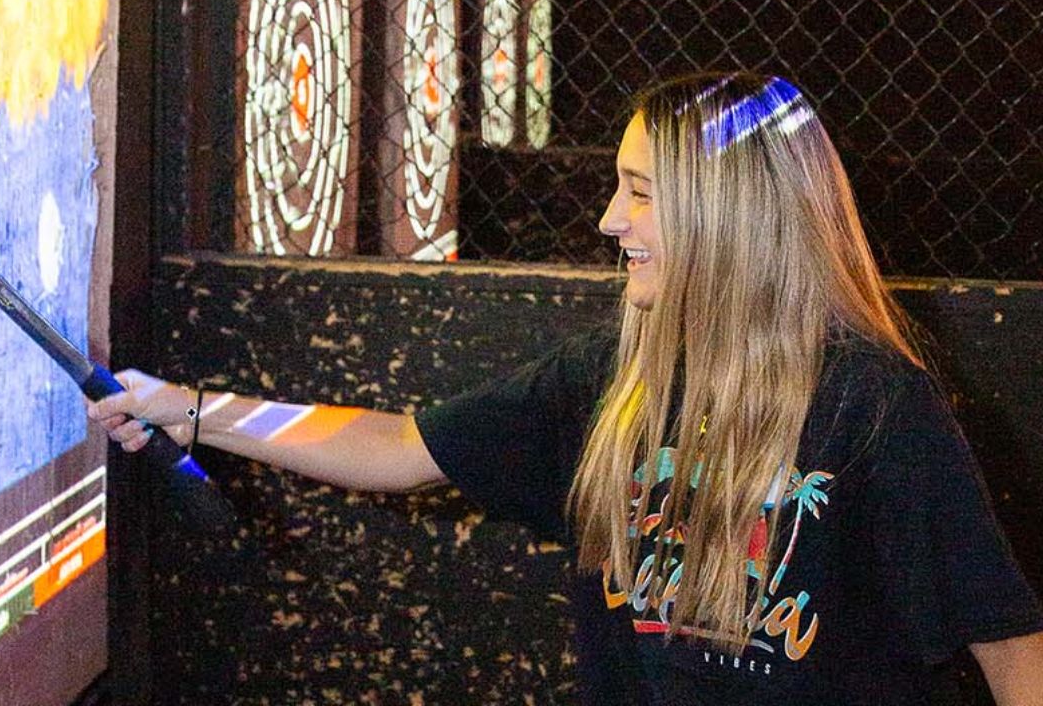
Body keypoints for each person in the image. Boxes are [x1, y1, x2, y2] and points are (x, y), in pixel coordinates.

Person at [88, 73, 1043, 704]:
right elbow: (397, 448)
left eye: (640, 190)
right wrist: (192, 408)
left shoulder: (873, 406)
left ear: (728, 213)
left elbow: (1012, 650)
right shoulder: (609, 379)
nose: (607, 218)